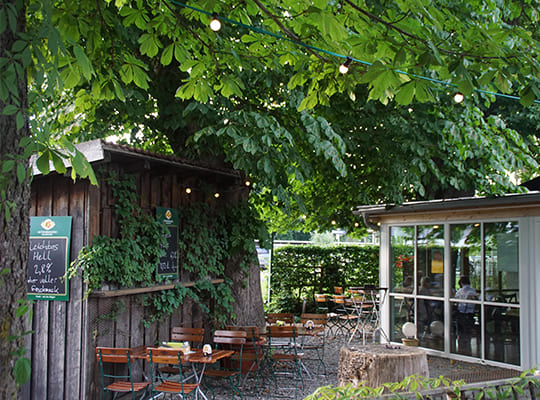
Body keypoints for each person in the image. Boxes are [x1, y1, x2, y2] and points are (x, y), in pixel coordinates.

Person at [454, 276, 477, 355]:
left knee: (460, 331)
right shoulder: (472, 291)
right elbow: (476, 301)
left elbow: (455, 301)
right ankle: (468, 347)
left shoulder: (459, 291)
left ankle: (461, 348)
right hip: (470, 313)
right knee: (468, 331)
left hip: (461, 313)